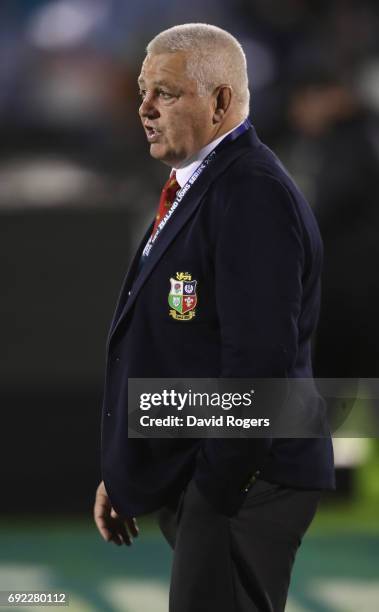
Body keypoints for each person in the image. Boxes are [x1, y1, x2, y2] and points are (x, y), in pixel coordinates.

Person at [94, 24, 335, 612]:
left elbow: (258, 361)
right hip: (217, 472)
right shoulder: (201, 186)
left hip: (246, 478)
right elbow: (187, 347)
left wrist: (219, 487)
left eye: (167, 94)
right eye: (143, 92)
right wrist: (128, 468)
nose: (145, 109)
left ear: (221, 101)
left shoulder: (250, 192)